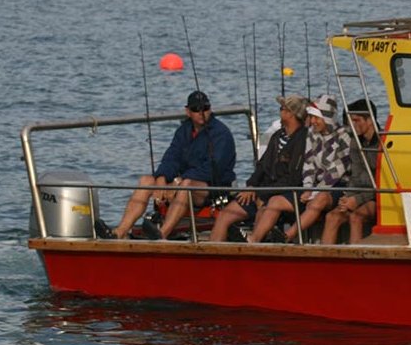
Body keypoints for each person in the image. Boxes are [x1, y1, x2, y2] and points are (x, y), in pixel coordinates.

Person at [95, 90, 236, 240]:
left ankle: (162, 234)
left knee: (187, 185)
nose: (201, 112)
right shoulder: (183, 131)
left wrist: (178, 182)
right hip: (183, 182)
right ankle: (119, 231)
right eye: (196, 109)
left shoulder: (222, 134)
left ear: (210, 109)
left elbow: (213, 169)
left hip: (212, 188)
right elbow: (171, 157)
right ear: (188, 111)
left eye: (205, 108)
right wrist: (162, 177)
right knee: (146, 180)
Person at [247, 95, 354, 243]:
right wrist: (308, 187)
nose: (313, 121)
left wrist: (314, 192)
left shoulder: (344, 136)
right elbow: (308, 164)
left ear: (327, 118)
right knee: (275, 201)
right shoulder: (311, 133)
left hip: (338, 186)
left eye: (317, 117)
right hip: (314, 187)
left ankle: (287, 236)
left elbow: (336, 172)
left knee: (319, 199)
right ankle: (253, 240)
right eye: (311, 117)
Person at [208, 94, 309, 242]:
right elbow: (262, 166)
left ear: (290, 114)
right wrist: (251, 186)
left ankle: (251, 244)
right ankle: (213, 252)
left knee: (265, 209)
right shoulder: (277, 136)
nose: (279, 112)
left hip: (284, 195)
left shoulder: (303, 139)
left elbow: (292, 179)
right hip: (262, 191)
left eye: (281, 109)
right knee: (225, 214)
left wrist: (261, 193)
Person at [321, 98, 380, 245]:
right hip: (360, 193)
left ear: (370, 120)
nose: (352, 125)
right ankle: (322, 262)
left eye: (357, 120)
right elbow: (356, 176)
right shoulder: (355, 142)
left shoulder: (383, 142)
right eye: (351, 121)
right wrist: (348, 197)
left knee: (356, 217)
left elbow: (381, 183)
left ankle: (357, 262)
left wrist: (357, 200)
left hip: (379, 197)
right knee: (332, 216)